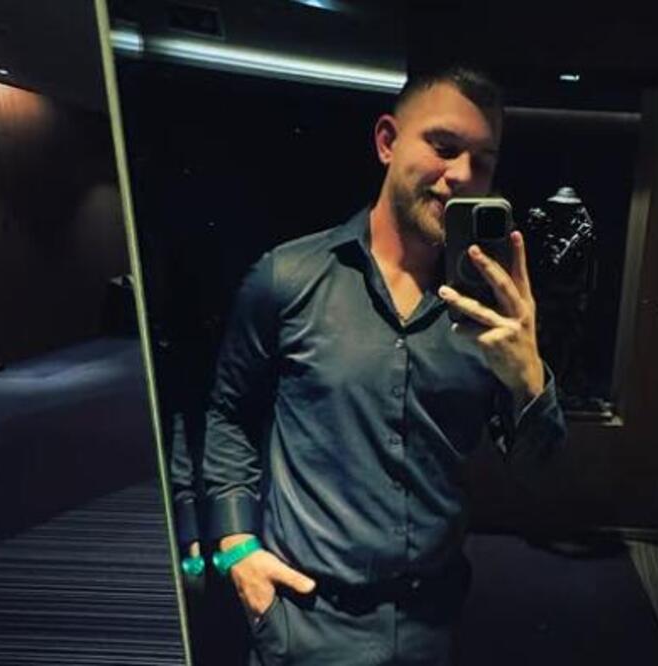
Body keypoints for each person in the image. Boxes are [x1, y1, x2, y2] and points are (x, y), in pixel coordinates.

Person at [203, 65, 566, 665]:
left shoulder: (494, 315)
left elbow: (541, 478)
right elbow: (228, 415)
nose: (463, 175)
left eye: (483, 161)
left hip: (434, 626)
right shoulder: (288, 278)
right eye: (444, 147)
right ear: (387, 141)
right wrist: (237, 545)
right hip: (304, 621)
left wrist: (530, 380)